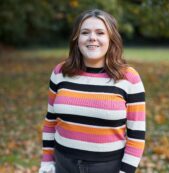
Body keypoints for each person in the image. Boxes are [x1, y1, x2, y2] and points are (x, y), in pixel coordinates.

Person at [38, 9, 146, 173]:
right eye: (85, 32)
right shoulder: (60, 72)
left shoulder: (129, 78)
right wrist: (47, 161)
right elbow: (50, 121)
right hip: (63, 165)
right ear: (76, 38)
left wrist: (126, 171)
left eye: (100, 32)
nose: (92, 38)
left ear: (111, 38)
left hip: (108, 167)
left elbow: (136, 134)